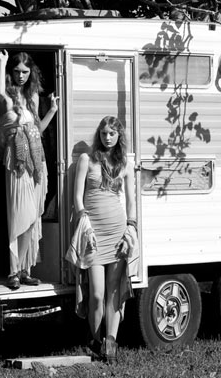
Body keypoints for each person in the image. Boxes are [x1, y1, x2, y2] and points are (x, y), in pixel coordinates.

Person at [72, 116, 138, 362]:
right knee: (97, 294)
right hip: (93, 233)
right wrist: (85, 225)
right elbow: (77, 198)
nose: (107, 138)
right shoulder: (86, 160)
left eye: (112, 133)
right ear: (98, 135)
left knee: (114, 291)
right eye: (103, 133)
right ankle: (95, 339)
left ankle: (110, 344)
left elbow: (131, 201)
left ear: (119, 135)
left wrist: (130, 229)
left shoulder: (125, 164)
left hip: (117, 231)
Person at [0, 50, 58, 290]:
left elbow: (37, 129)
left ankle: (25, 270)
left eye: (25, 72)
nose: (21, 76)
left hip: (36, 161)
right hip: (17, 162)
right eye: (17, 71)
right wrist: (1, 63)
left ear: (31, 73)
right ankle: (13, 271)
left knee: (32, 218)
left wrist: (52, 111)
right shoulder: (7, 98)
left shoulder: (32, 97)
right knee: (19, 215)